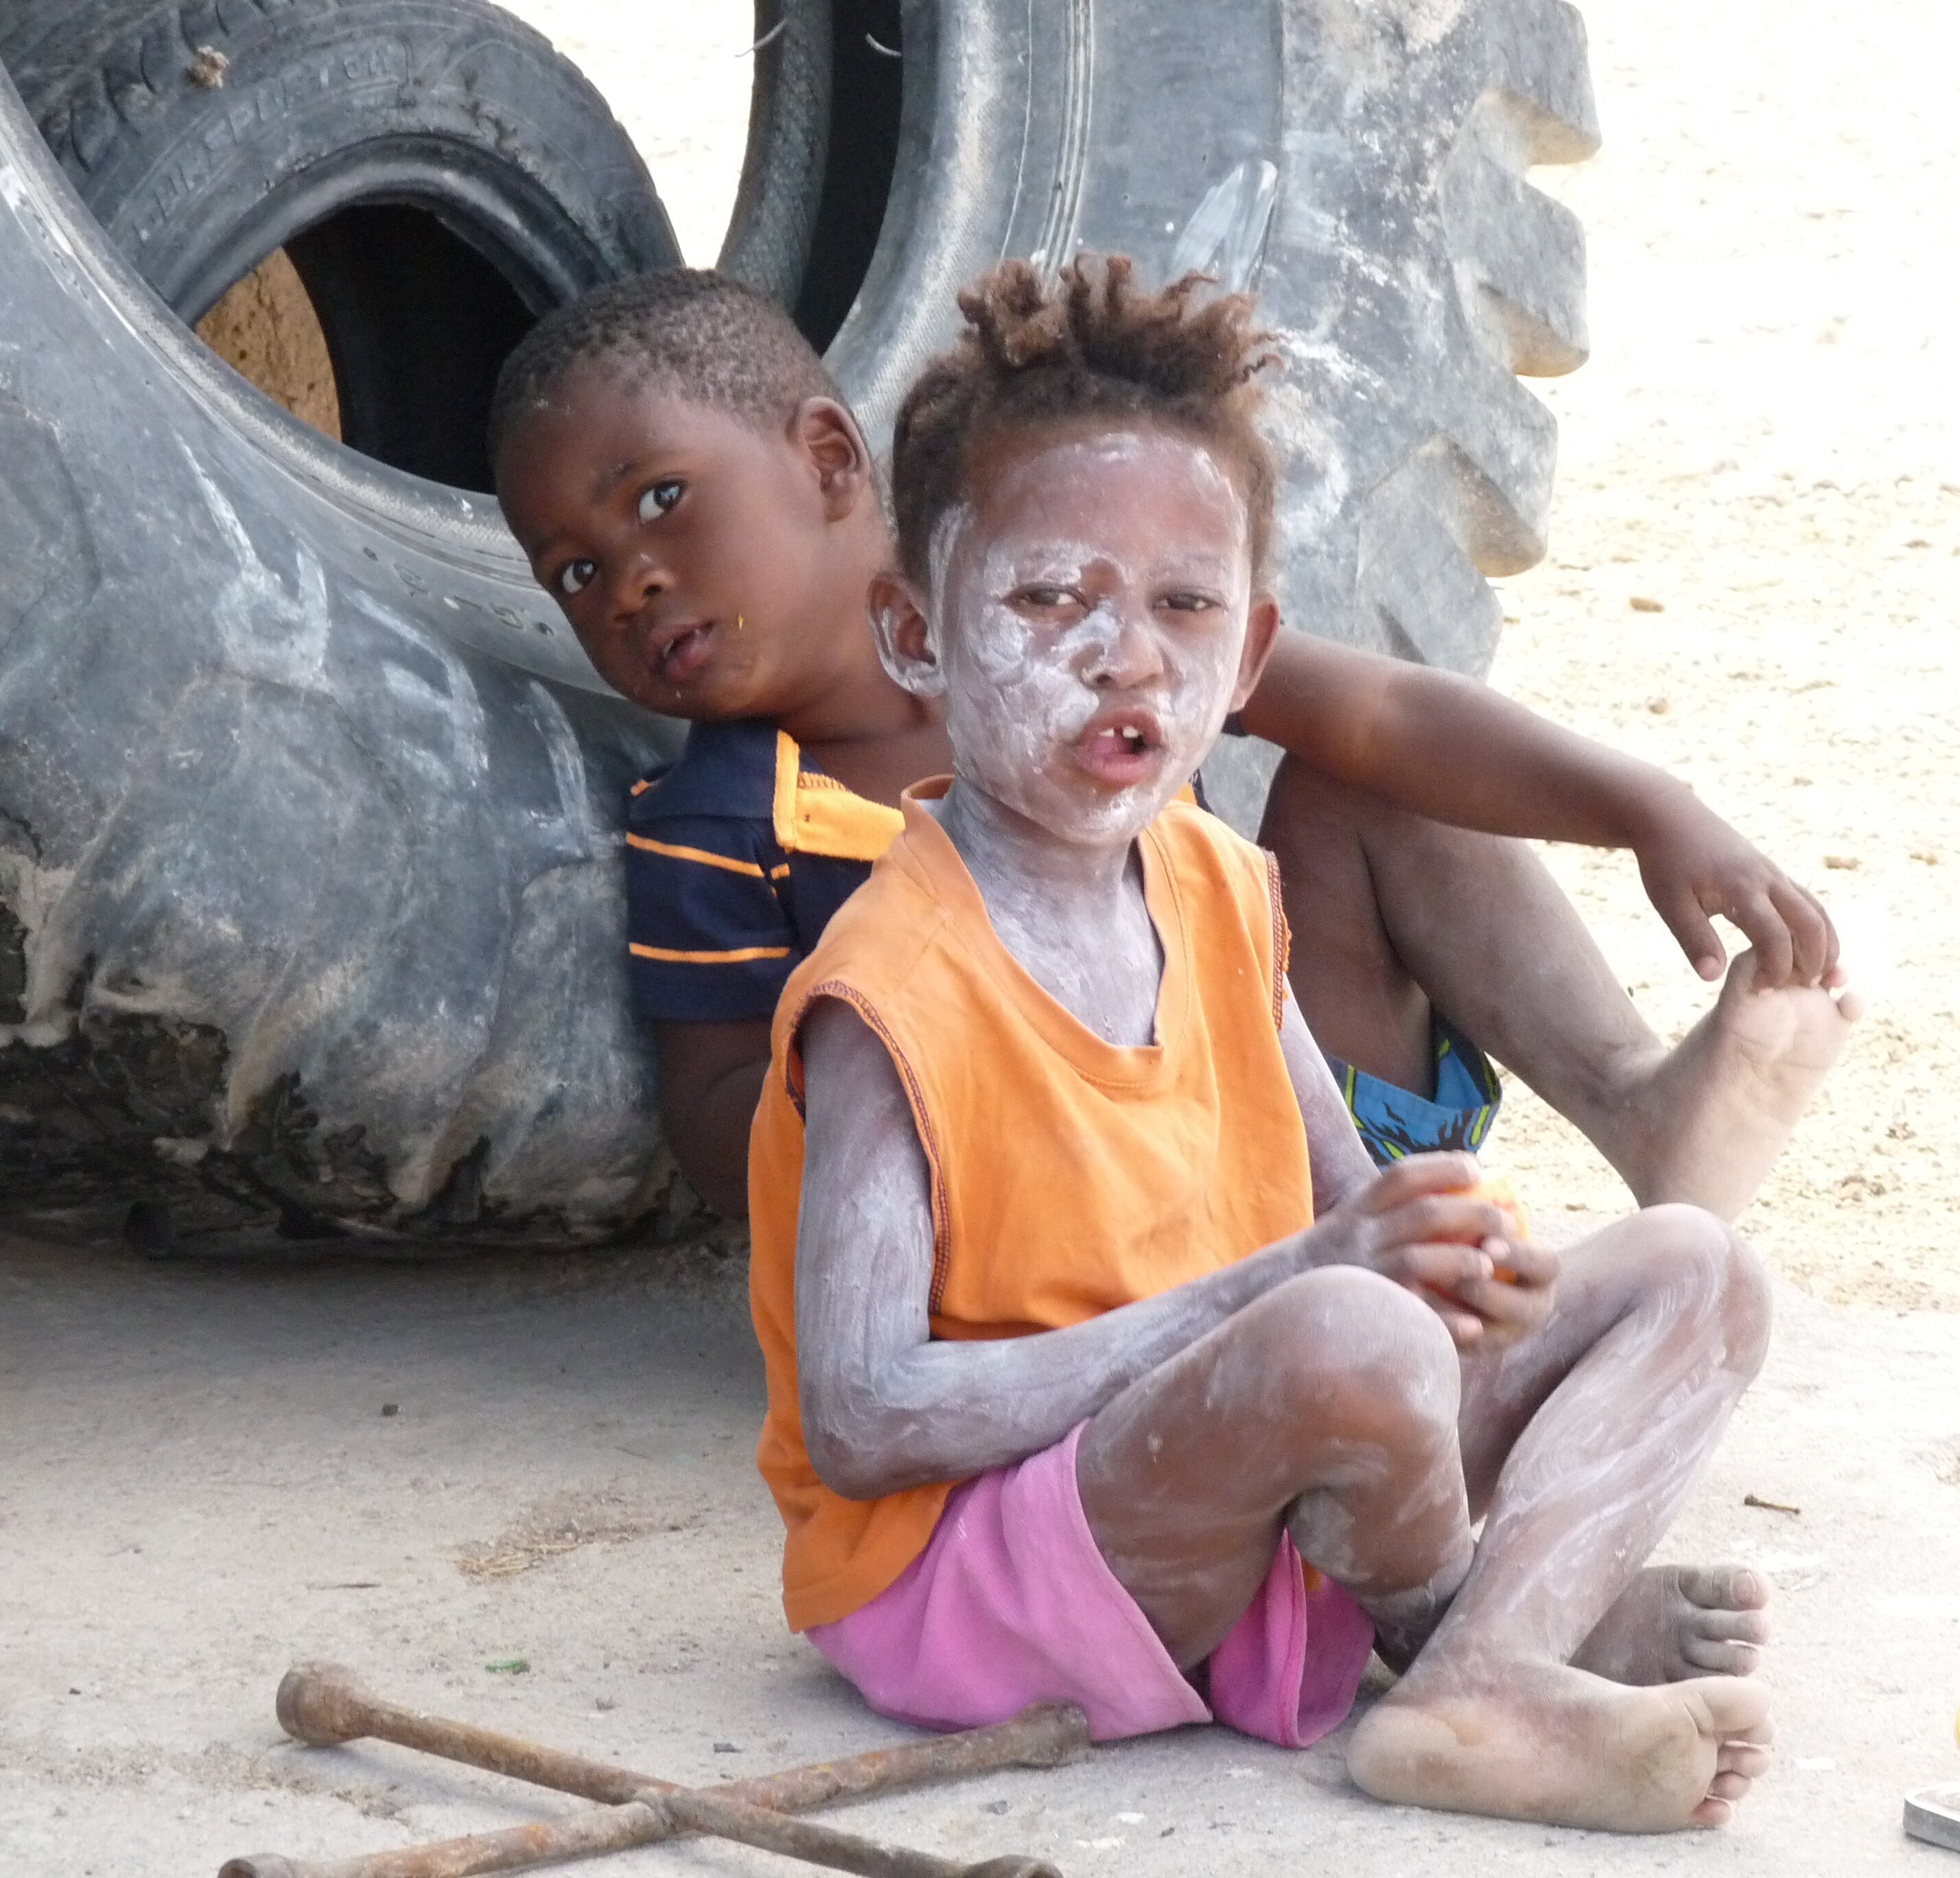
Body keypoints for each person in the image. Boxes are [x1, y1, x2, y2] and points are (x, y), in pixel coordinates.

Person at [727, 255, 1792, 1831]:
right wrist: (1302, 1287)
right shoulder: (892, 990)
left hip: (1243, 1475)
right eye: (1045, 599)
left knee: (1697, 1269)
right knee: (1343, 1335)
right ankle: (1487, 1636)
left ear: (1247, 655)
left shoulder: (1220, 887)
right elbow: (872, 1418)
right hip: (974, 1570)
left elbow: (1345, 1205)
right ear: (913, 634)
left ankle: (1481, 1663)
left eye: (1184, 606)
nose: (1125, 655)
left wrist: (1447, 1257)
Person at [487, 268, 1858, 1233]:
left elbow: (1379, 711)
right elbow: (714, 1100)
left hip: (1308, 1126)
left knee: (1364, 782)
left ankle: (1638, 1109)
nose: (631, 583)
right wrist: (890, 1096)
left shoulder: (1066, 607)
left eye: (661, 500)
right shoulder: (723, 819)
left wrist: (1646, 808)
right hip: (1061, 1246)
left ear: (832, 456)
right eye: (575, 573)